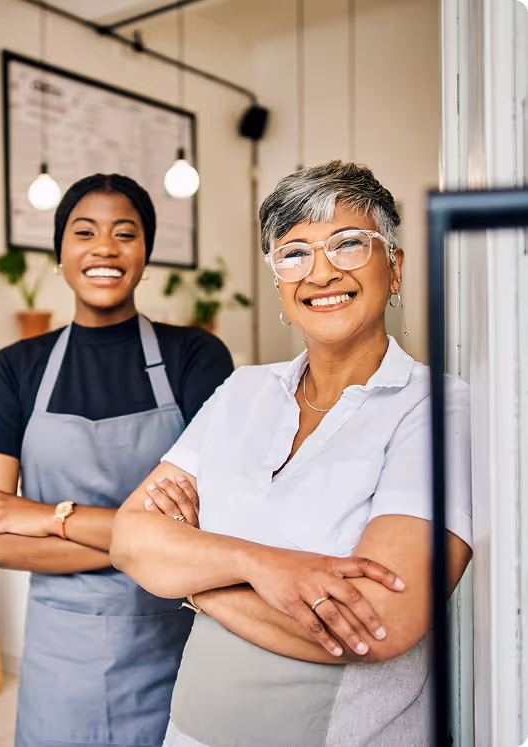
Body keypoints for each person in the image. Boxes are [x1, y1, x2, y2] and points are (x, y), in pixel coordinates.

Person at [110, 161, 473, 747]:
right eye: (294, 253)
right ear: (280, 282)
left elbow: (378, 624)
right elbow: (130, 539)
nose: (321, 272)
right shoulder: (242, 391)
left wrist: (195, 578)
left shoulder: (438, 408)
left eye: (349, 244)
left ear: (395, 268)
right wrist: (265, 566)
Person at [0, 173, 234, 747]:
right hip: (61, 663)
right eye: (84, 232)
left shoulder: (196, 357)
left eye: (125, 233)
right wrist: (151, 544)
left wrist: (43, 517)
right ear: (60, 253)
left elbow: (213, 525)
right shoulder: (14, 368)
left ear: (146, 254)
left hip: (176, 646)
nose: (104, 247)